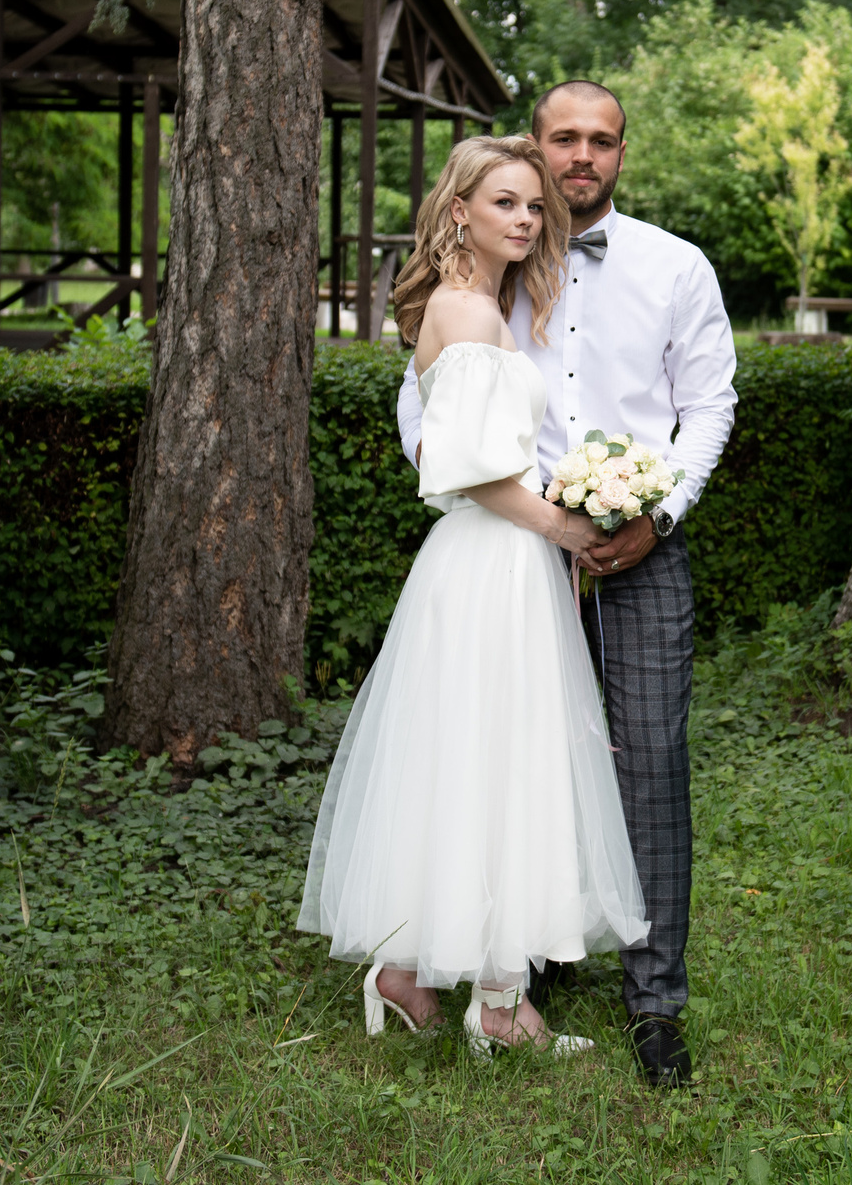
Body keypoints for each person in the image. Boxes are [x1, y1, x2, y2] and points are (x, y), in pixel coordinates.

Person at [394, 81, 738, 1088]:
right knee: (514, 756)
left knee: (649, 757)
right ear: (536, 149)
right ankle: (524, 958)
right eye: (562, 139)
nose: (580, 155)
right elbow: (427, 408)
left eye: (601, 139)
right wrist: (497, 499)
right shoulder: (489, 269)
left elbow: (706, 403)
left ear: (622, 152)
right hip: (516, 551)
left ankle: (654, 998)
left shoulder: (676, 266)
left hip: (641, 541)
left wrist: (655, 510)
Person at [296, 134, 649, 1057]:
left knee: (474, 759)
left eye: (535, 207)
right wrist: (571, 527)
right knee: (499, 760)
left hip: (496, 560)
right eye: (506, 203)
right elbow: (472, 472)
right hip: (492, 556)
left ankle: (410, 973)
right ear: (461, 211)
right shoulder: (465, 310)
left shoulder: (479, 305)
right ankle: (498, 1003)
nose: (527, 220)